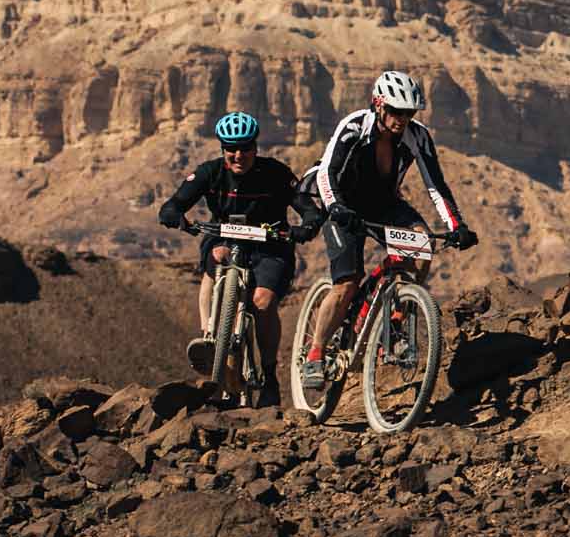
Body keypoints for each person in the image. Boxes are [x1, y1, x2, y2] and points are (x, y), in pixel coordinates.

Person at [299, 69, 476, 394]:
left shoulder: (417, 136)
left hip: (383, 204)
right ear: (379, 106)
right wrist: (336, 208)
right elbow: (327, 173)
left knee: (422, 246)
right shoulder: (353, 127)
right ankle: (316, 352)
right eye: (396, 111)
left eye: (408, 113)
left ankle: (397, 319)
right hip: (343, 202)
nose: (402, 119)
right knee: (346, 285)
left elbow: (435, 184)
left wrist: (457, 226)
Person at [158, 112, 322, 402]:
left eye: (245, 147)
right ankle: (209, 336)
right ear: (222, 149)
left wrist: (307, 225)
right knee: (218, 255)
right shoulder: (209, 172)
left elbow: (306, 207)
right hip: (224, 238)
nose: (238, 154)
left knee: (263, 302)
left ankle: (269, 375)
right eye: (231, 148)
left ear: (255, 147)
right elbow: (174, 204)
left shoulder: (276, 173)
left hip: (270, 246)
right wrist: (175, 216)